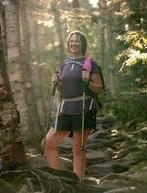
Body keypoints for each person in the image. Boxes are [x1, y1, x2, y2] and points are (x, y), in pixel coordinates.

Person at [44, 31, 104, 182]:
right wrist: (57, 84)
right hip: (65, 108)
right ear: (68, 43)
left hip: (84, 107)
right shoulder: (65, 63)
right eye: (71, 41)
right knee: (48, 144)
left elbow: (99, 88)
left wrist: (87, 82)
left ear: (83, 43)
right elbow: (63, 90)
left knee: (78, 148)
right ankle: (60, 180)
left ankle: (78, 183)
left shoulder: (91, 63)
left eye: (77, 41)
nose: (74, 43)